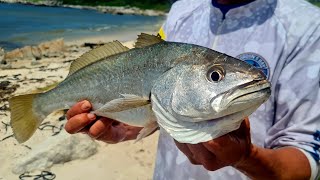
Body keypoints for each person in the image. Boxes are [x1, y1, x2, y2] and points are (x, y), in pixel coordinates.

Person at [64, 0, 320, 179]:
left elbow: (306, 159)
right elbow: (157, 89)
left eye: (216, 75)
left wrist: (245, 157)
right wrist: (126, 127)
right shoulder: (181, 9)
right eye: (216, 75)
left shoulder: (308, 26)